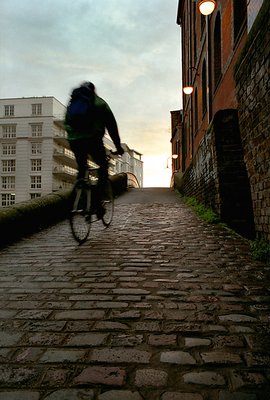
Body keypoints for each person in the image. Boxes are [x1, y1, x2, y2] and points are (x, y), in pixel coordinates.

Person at [65, 81, 124, 217]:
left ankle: (80, 196)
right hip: (92, 140)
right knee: (103, 167)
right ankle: (96, 203)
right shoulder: (100, 104)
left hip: (74, 140)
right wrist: (118, 146)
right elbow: (112, 127)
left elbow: (67, 122)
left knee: (82, 168)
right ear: (93, 91)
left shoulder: (72, 103)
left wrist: (73, 135)